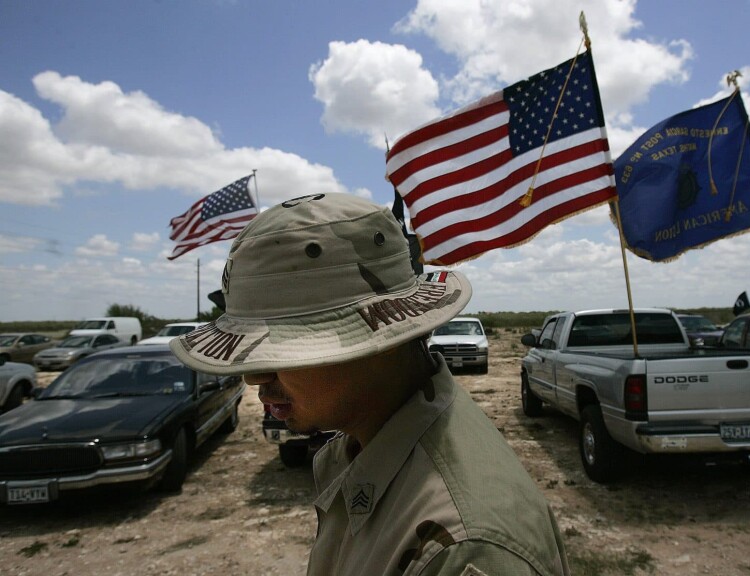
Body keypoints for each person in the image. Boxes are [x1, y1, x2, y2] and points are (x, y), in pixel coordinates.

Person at [170, 193, 570, 576]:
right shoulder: (373, 440)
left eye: (284, 351)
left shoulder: (463, 546)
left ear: (380, 340)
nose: (255, 377)